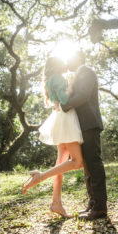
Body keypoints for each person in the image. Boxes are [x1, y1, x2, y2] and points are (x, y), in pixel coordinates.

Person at [22, 57, 84, 218]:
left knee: (61, 163)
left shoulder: (51, 79)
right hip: (66, 118)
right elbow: (64, 100)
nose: (66, 63)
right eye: (63, 62)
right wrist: (72, 88)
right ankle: (40, 177)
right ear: (58, 64)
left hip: (59, 118)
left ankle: (56, 203)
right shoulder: (57, 77)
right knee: (77, 162)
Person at [60, 51, 107, 220]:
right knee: (87, 166)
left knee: (93, 164)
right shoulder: (78, 74)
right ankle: (93, 204)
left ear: (78, 57)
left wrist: (65, 105)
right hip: (81, 126)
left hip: (89, 124)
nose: (67, 60)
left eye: (70, 56)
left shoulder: (85, 70)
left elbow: (84, 96)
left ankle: (100, 207)